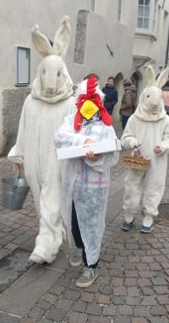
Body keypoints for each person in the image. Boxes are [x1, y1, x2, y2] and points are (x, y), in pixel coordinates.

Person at [8, 16, 75, 264]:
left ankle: (45, 244)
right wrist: (19, 154)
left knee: (52, 197)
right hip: (34, 161)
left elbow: (75, 133)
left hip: (57, 161)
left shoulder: (70, 103)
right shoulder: (30, 102)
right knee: (41, 200)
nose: (50, 81)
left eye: (56, 74)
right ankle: (52, 234)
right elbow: (22, 130)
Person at [55, 75, 119, 288]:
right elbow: (59, 137)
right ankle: (80, 248)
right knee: (73, 223)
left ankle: (90, 266)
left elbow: (112, 155)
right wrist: (83, 141)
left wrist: (97, 158)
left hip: (93, 188)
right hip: (72, 184)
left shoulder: (106, 126)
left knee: (91, 226)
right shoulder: (72, 120)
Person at [121, 66, 169, 234]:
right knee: (132, 186)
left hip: (156, 160)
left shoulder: (164, 120)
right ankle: (129, 214)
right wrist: (131, 142)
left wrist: (164, 146)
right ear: (144, 97)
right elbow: (125, 137)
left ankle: (149, 216)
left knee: (154, 186)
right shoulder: (134, 118)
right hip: (136, 159)